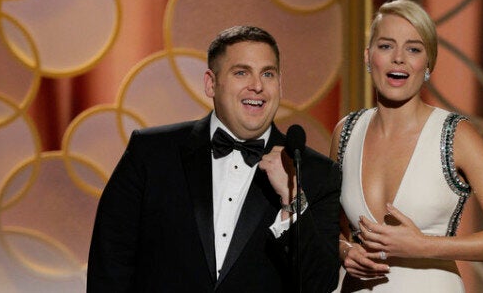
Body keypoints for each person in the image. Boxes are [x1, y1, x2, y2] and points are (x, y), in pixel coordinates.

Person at [87, 25, 341, 292]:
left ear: (279, 85)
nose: (257, 86)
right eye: (241, 72)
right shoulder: (150, 153)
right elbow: (110, 262)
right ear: (211, 84)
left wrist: (293, 200)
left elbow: (320, 284)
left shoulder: (316, 173)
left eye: (268, 74)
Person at [330, 0, 483, 292]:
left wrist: (423, 246)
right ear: (367, 56)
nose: (398, 58)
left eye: (413, 49)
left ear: (428, 64)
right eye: (386, 46)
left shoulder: (456, 135)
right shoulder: (346, 132)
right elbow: (331, 228)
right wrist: (346, 251)